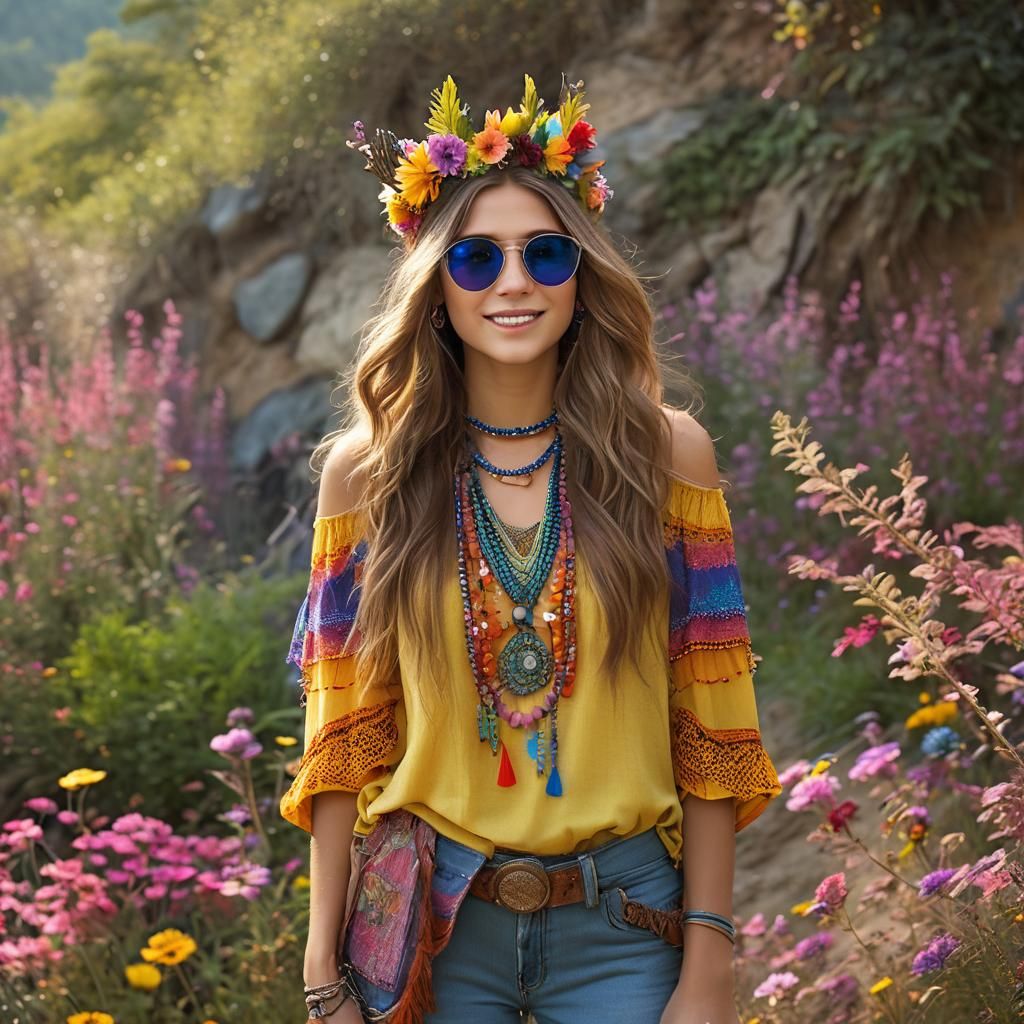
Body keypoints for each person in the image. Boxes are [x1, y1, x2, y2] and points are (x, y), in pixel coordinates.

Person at [280, 74, 782, 1024]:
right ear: (437, 290)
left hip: (628, 928)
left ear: (582, 278)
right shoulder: (368, 473)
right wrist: (323, 976)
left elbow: (711, 723)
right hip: (428, 931)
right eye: (476, 259)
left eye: (545, 254)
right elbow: (341, 738)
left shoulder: (665, 456)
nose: (514, 282)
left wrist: (709, 964)